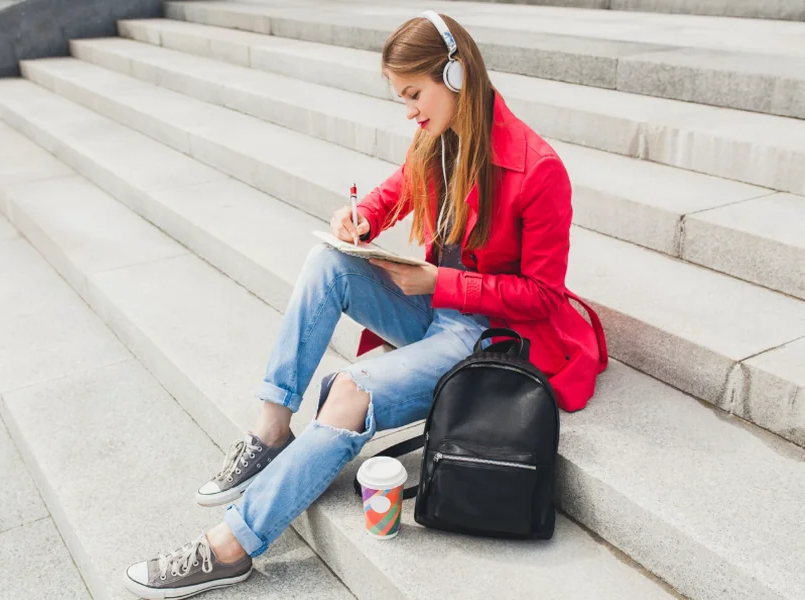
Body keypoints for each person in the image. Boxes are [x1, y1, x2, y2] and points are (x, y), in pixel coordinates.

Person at [123, 10, 606, 599]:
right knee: (328, 262)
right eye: (401, 97)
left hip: (485, 336)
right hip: (433, 307)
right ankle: (272, 428)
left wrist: (439, 283)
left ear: (456, 75)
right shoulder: (438, 138)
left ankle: (230, 548)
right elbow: (397, 188)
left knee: (350, 392)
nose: (409, 111)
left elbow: (545, 298)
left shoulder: (539, 169)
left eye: (413, 93)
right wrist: (361, 218)